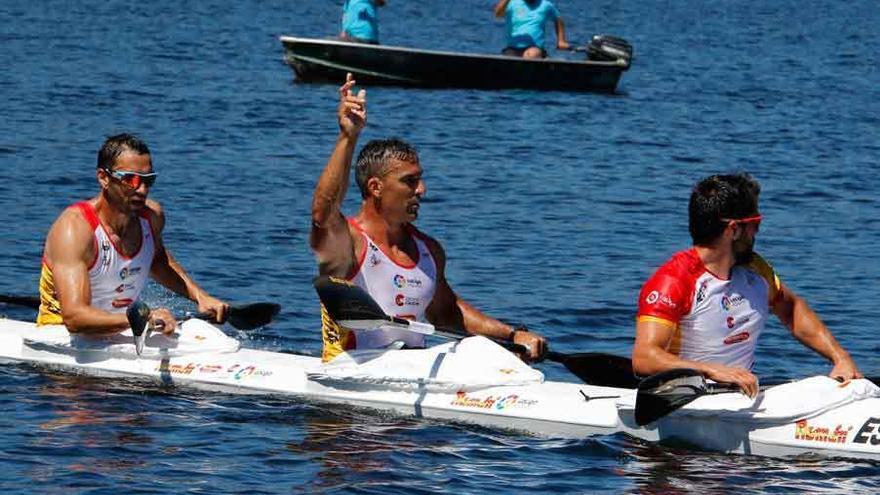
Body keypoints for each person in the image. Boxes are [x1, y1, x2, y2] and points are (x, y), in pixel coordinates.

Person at [310, 73, 547, 363]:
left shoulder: (429, 250)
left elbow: (448, 313)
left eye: (420, 180)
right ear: (376, 187)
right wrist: (349, 136)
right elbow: (323, 210)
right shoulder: (348, 241)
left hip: (414, 373)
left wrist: (512, 337)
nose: (422, 190)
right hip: (352, 373)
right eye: (410, 182)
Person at [632, 173, 862, 397]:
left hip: (741, 393)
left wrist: (840, 357)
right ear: (734, 229)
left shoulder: (756, 269)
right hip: (683, 398)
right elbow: (644, 358)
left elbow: (791, 309)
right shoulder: (672, 282)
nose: (757, 233)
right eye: (756, 224)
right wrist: (711, 370)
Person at [37, 134, 229, 335]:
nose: (142, 189)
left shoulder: (152, 217)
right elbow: (75, 317)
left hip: (121, 328)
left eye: (148, 180)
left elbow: (158, 263)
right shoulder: (74, 229)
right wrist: (144, 318)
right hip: (63, 335)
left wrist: (201, 297)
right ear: (104, 178)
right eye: (131, 179)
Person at [494, 0, 570, 59]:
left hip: (535, 49)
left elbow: (558, 19)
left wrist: (561, 41)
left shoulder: (546, 5)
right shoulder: (513, 3)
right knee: (508, 61)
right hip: (512, 48)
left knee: (531, 54)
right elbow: (498, 14)